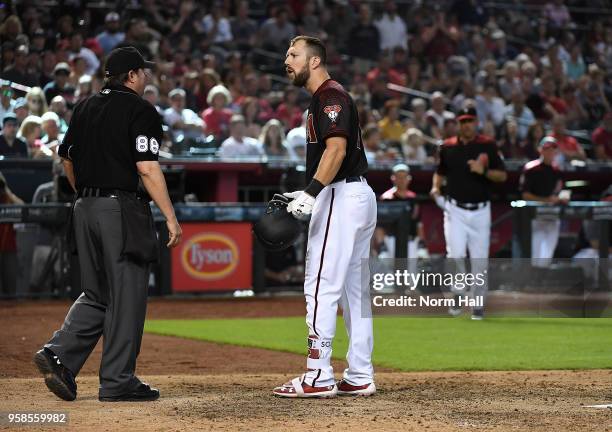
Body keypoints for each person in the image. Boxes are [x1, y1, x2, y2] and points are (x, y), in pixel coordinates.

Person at [34, 46, 182, 403]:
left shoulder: (84, 107)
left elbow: (66, 158)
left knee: (98, 293)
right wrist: (171, 216)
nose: (146, 76)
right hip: (121, 209)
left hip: (84, 206)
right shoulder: (141, 110)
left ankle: (58, 354)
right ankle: (117, 381)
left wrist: (88, 193)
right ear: (130, 76)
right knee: (127, 294)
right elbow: (147, 166)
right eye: (142, 72)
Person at [274, 35, 376, 398]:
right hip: (354, 193)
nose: (287, 60)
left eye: (294, 54)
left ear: (314, 61)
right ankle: (360, 373)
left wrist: (312, 192)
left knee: (320, 285)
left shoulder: (329, 96)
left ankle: (317, 375)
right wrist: (308, 189)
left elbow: (337, 149)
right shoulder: (328, 97)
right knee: (354, 293)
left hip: (340, 195)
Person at [430, 107, 507, 320]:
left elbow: (502, 175)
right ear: (458, 123)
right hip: (455, 209)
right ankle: (456, 296)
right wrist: (436, 187)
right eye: (463, 121)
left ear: (476, 122)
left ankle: (478, 304)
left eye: (470, 120)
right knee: (455, 255)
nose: (467, 125)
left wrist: (484, 171)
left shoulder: (488, 145)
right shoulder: (448, 147)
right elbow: (440, 172)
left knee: (480, 259)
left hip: (481, 210)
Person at [519, 137, 565, 265]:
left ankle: (542, 279)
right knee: (535, 253)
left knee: (547, 254)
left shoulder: (557, 171)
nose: (550, 152)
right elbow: (525, 195)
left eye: (552, 150)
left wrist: (562, 198)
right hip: (535, 215)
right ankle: (532, 279)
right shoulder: (531, 169)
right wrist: (546, 200)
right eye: (547, 149)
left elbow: (560, 190)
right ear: (541, 150)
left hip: (552, 214)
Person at [379, 163, 423, 265]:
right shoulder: (386, 198)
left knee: (410, 277)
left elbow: (418, 223)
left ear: (409, 178)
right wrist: (382, 246)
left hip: (411, 242)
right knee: (390, 277)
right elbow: (379, 225)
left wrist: (422, 244)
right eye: (399, 177)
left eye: (404, 177)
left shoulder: (413, 198)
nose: (402, 180)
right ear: (393, 178)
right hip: (391, 241)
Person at [0, 171, 23, 297]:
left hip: (9, 248)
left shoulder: (8, 200)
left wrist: (7, 192)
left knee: (10, 288)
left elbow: (23, 207)